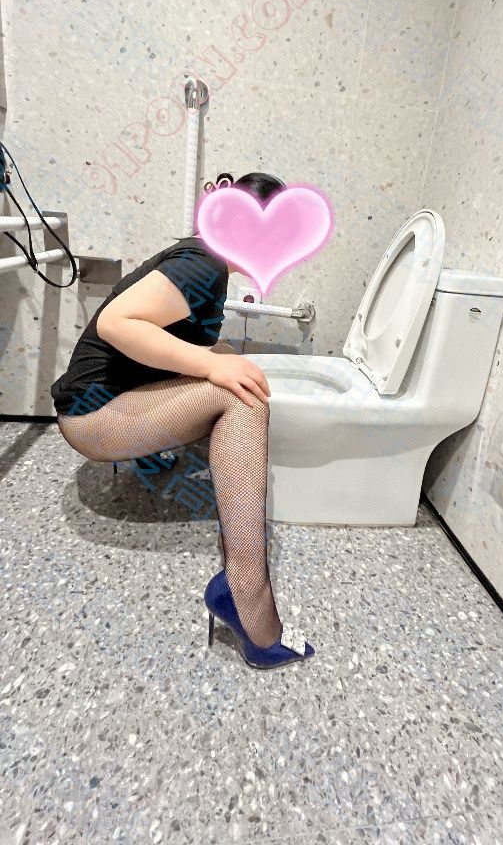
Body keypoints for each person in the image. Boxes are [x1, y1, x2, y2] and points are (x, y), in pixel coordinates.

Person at [51, 171, 315, 670]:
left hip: (103, 400)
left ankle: (160, 460)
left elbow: (173, 339)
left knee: (226, 360)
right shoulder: (203, 264)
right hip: (93, 415)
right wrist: (213, 368)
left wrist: (215, 357)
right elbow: (117, 324)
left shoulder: (204, 258)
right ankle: (247, 594)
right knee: (243, 397)